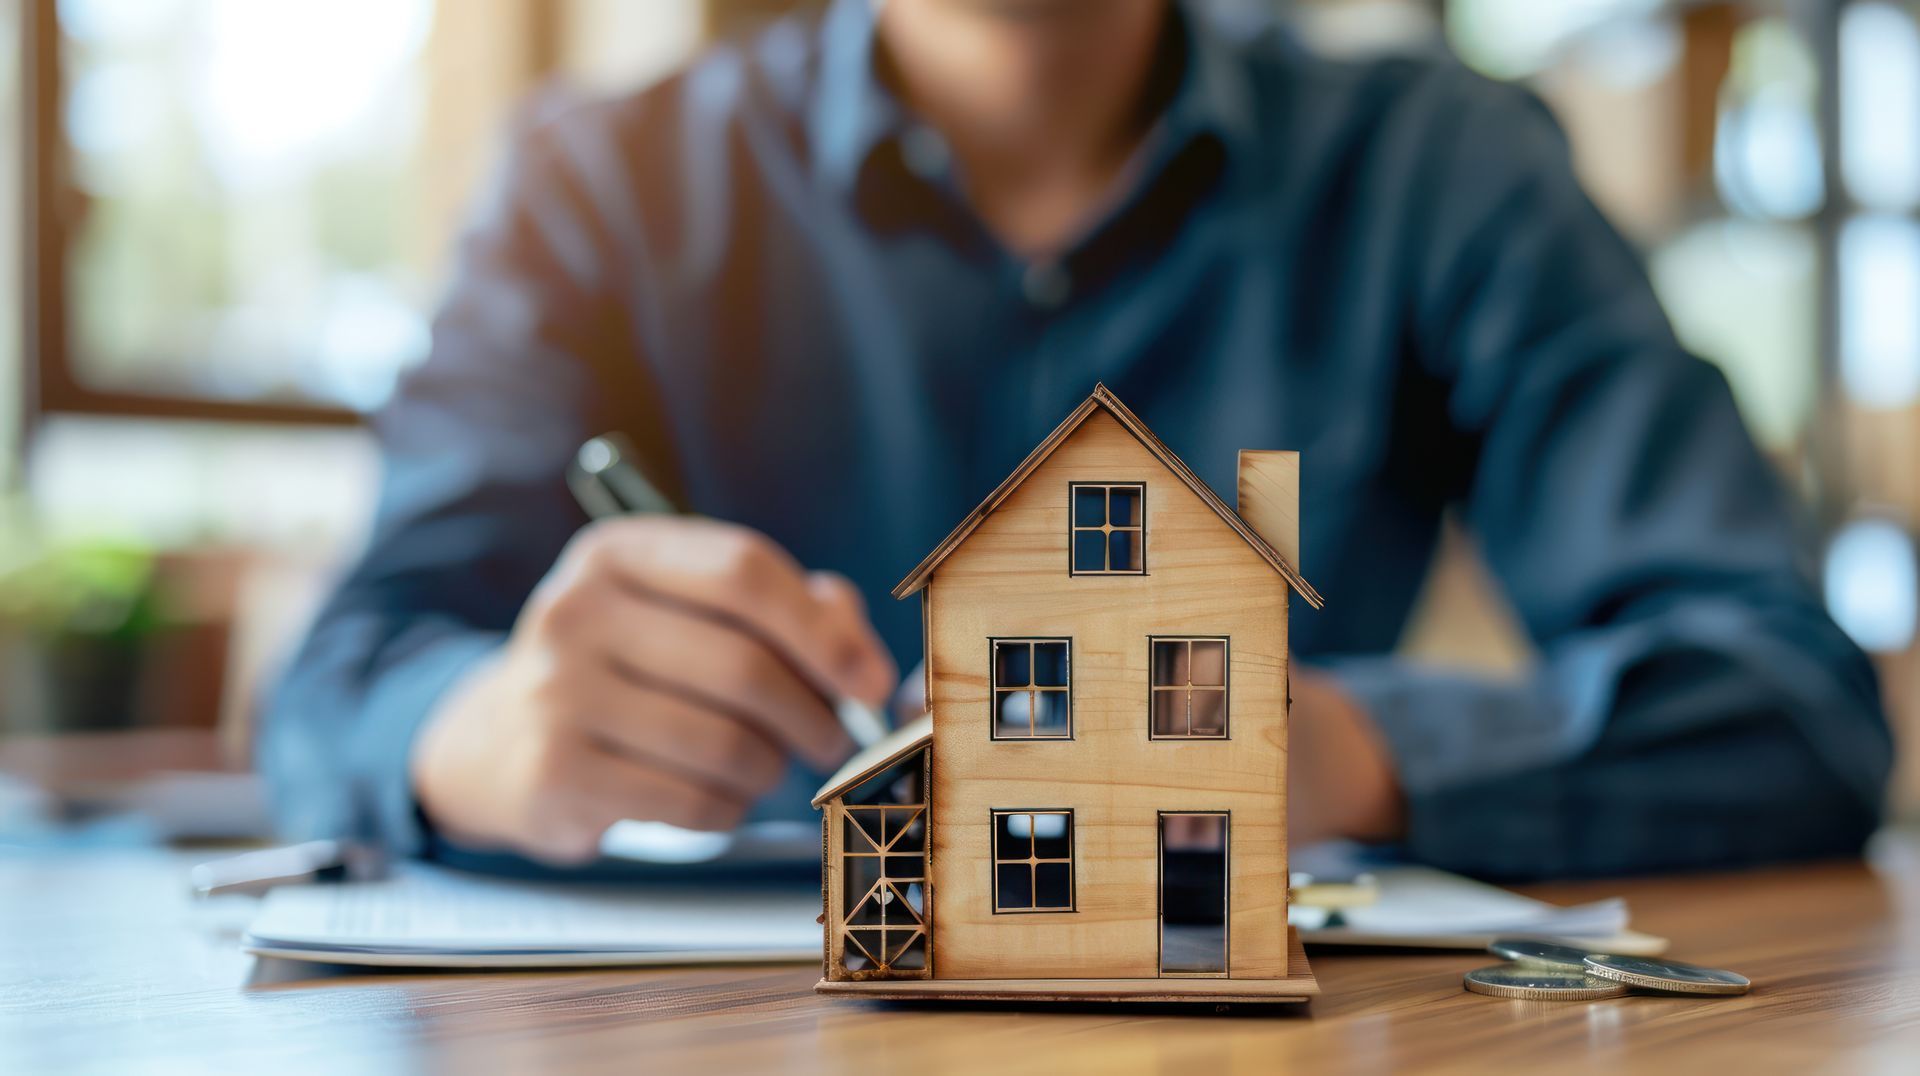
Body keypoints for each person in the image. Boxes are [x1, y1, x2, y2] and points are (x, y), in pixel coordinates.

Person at [264, 0, 1891, 880]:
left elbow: (1786, 701)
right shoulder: (595, 186)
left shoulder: (1439, 168)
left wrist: (1328, 753)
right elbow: (342, 680)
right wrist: (474, 731)